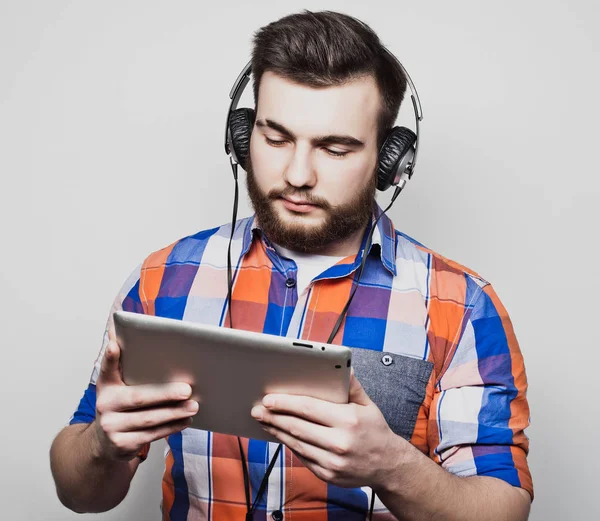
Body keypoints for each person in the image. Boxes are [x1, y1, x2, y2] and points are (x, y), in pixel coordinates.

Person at [50, 10, 533, 521]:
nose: (297, 174)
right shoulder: (163, 278)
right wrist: (104, 444)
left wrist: (392, 466)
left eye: (335, 147)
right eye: (276, 139)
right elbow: (79, 492)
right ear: (242, 137)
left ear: (390, 161)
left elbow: (504, 510)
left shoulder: (462, 305)